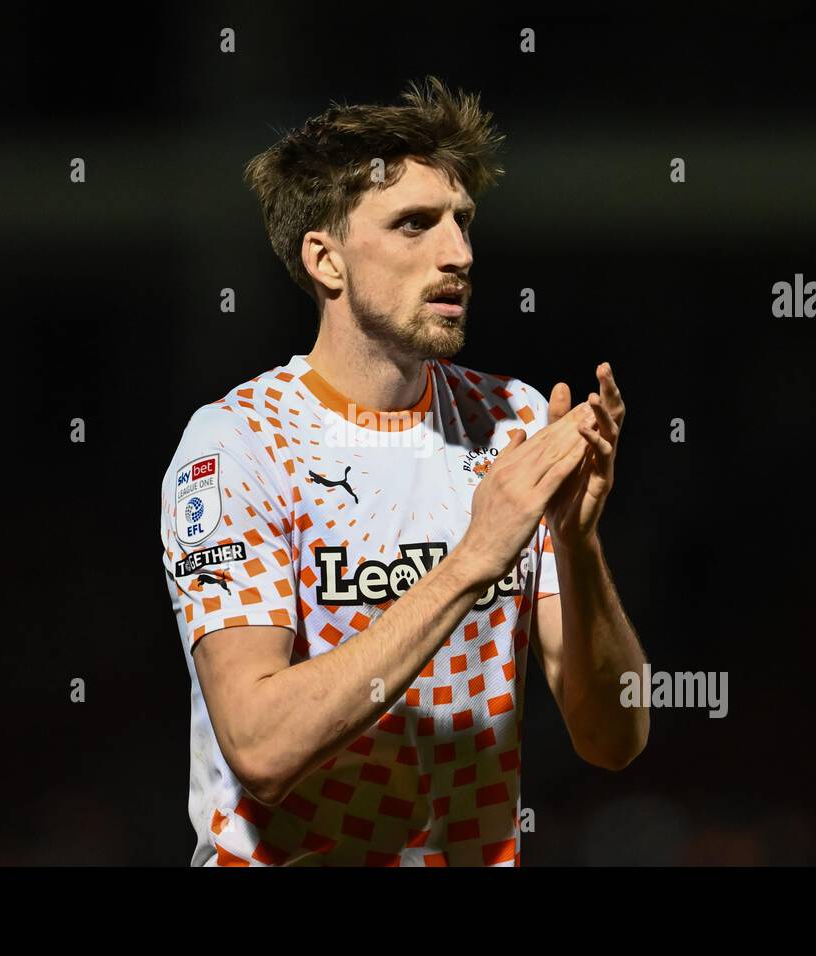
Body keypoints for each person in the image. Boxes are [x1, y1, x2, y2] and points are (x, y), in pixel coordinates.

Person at [162, 76, 648, 866]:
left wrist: (579, 546)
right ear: (326, 259)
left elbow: (615, 736)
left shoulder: (514, 422)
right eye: (415, 225)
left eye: (461, 223)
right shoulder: (237, 446)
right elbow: (260, 746)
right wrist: (473, 561)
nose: (458, 253)